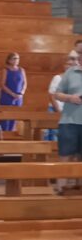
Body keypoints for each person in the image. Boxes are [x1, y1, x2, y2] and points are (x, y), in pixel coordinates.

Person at [51, 55, 82, 192]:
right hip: (69, 120)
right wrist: (71, 97)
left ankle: (79, 186)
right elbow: (57, 94)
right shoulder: (70, 72)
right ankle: (60, 187)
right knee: (65, 154)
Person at [47, 51, 79, 141]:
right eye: (68, 65)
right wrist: (58, 111)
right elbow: (52, 95)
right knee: (54, 134)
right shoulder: (58, 78)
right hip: (56, 109)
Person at [0, 52, 26, 131]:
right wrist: (12, 94)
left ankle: (12, 136)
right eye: (14, 58)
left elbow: (24, 83)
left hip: (18, 97)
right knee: (5, 119)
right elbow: (2, 84)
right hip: (7, 96)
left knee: (14, 118)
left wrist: (22, 93)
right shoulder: (5, 70)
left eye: (18, 58)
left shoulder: (21, 70)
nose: (16, 60)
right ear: (9, 60)